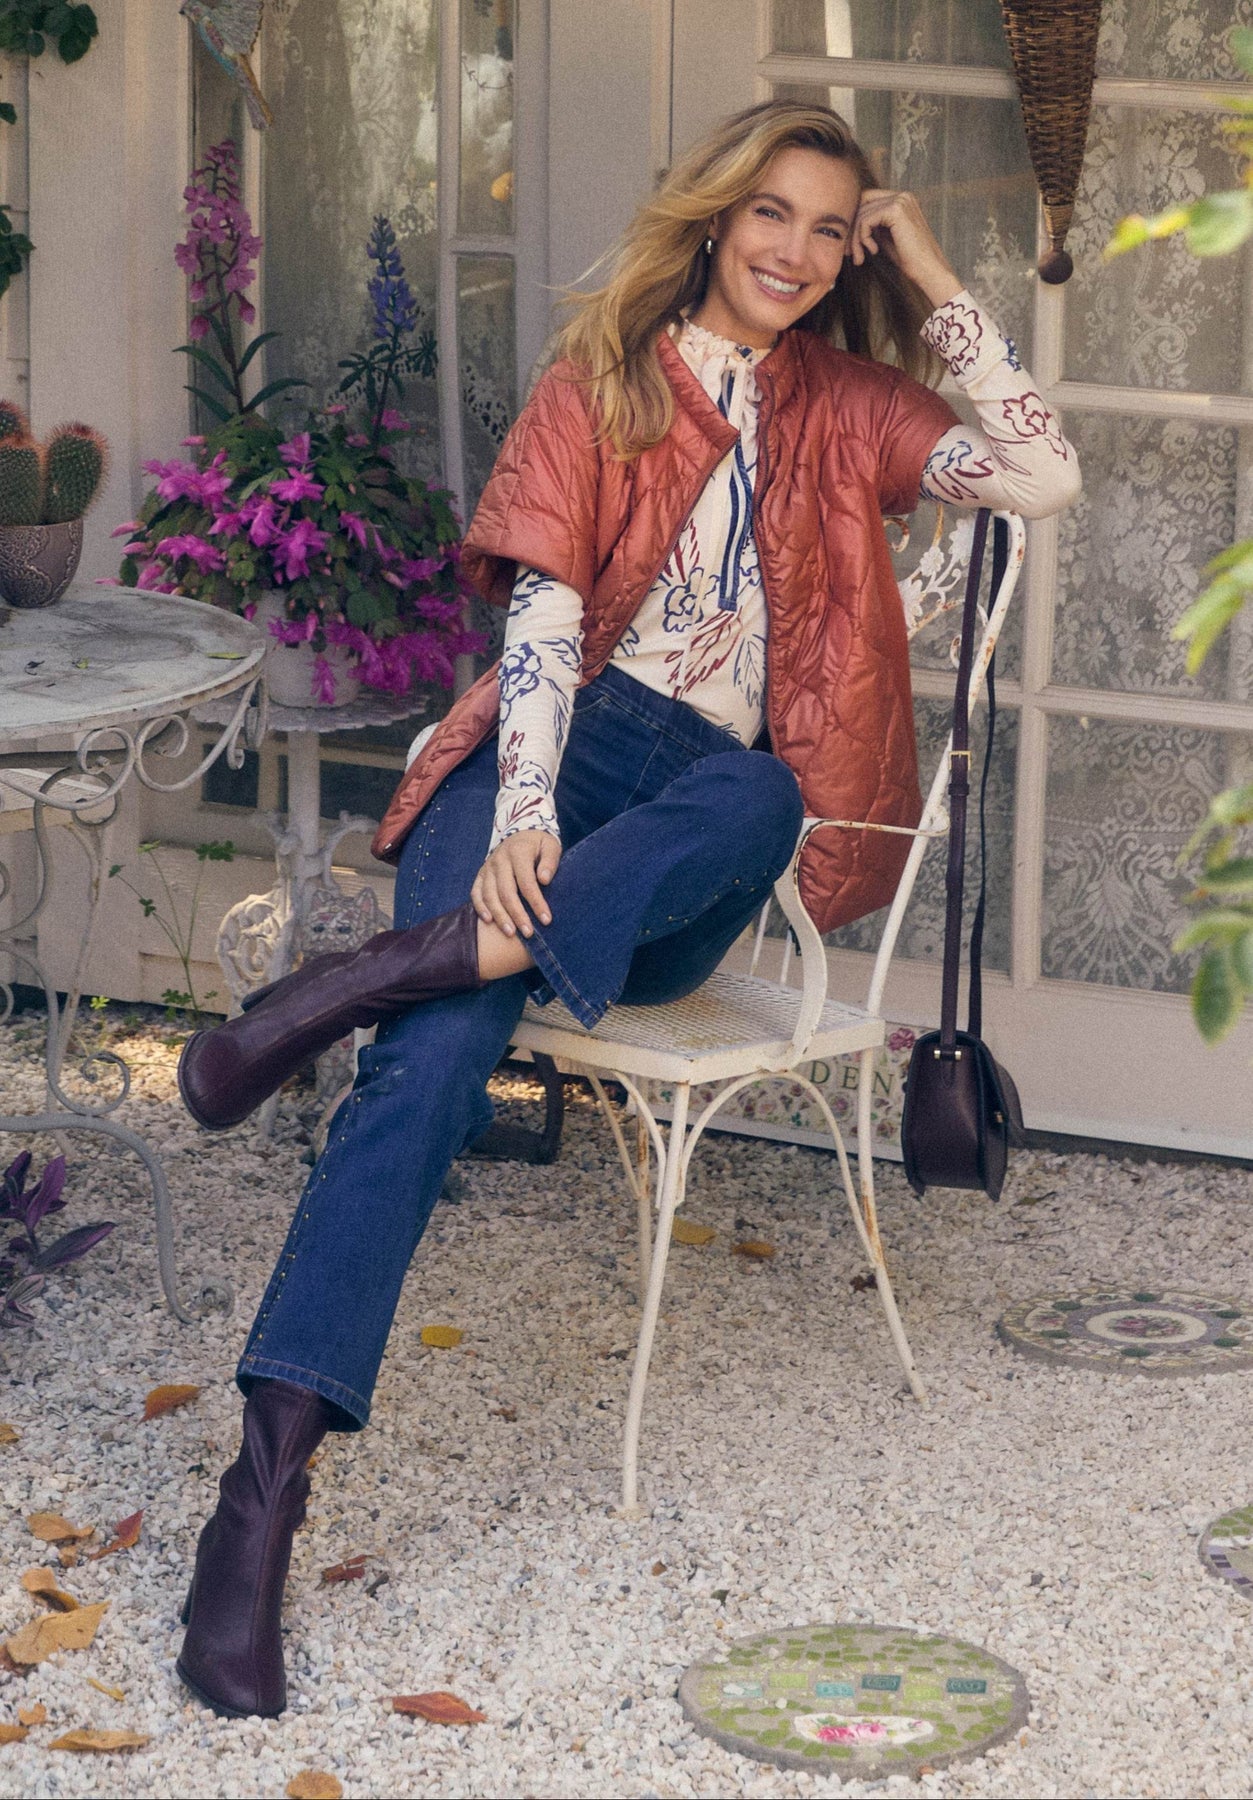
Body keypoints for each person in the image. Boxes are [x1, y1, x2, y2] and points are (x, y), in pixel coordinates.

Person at [173, 99, 1080, 1717]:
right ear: (716, 216)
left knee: (762, 794)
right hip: (559, 750)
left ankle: (348, 983)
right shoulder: (600, 380)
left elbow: (1039, 472)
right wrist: (522, 814)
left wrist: (933, 270)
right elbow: (539, 624)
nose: (795, 250)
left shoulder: (852, 407)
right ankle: (258, 1507)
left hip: (689, 829)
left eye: (830, 227)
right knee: (432, 1069)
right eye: (771, 212)